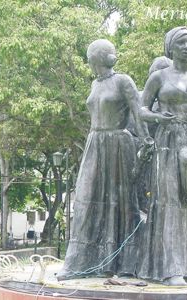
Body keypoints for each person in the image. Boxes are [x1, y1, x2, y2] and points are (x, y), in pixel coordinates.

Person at [57, 39, 147, 280]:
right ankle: (78, 262)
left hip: (119, 144)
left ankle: (124, 263)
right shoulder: (94, 84)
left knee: (122, 202)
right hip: (95, 143)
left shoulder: (123, 80)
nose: (113, 56)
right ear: (99, 57)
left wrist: (147, 142)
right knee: (86, 198)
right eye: (110, 53)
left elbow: (138, 113)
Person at [137, 27, 187, 286]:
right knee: (171, 203)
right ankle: (172, 269)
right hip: (168, 142)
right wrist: (157, 117)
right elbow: (141, 109)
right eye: (181, 42)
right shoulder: (159, 77)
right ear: (170, 47)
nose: (186, 47)